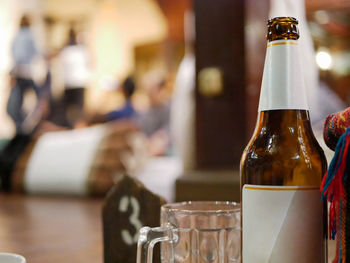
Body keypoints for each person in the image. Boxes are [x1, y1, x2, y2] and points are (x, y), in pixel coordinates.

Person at [7, 15, 40, 134]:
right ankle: (22, 127)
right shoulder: (27, 36)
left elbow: (19, 56)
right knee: (16, 106)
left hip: (21, 74)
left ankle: (23, 127)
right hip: (24, 73)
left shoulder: (20, 36)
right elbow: (32, 54)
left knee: (13, 107)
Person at [59, 27, 90, 127]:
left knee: (69, 109)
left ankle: (72, 126)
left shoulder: (66, 49)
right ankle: (78, 126)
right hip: (79, 82)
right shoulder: (82, 49)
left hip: (70, 82)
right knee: (79, 108)